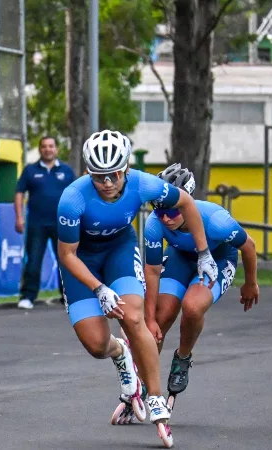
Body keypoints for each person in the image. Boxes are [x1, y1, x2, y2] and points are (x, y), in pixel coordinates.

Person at [56, 130, 219, 447]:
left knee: (133, 318)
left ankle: (155, 398)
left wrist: (203, 253)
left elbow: (185, 202)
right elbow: (67, 255)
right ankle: (120, 354)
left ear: (126, 168)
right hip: (80, 262)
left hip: (118, 250)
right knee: (95, 345)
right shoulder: (72, 199)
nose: (107, 182)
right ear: (90, 173)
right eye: (99, 176)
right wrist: (99, 289)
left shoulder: (143, 183)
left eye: (114, 174)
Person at [142, 163, 259, 409]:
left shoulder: (216, 221)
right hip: (180, 259)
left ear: (187, 202)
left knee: (193, 308)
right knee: (160, 317)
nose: (165, 218)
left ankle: (182, 358)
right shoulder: (155, 223)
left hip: (217, 259)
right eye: (159, 210)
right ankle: (144, 381)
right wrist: (149, 317)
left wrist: (250, 283)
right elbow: (151, 271)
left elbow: (248, 246)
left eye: (172, 211)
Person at [14, 136, 75, 309]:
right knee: (33, 261)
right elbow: (19, 193)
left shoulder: (67, 171)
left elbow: (77, 195)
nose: (48, 149)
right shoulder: (30, 171)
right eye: (44, 146)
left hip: (62, 224)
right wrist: (19, 217)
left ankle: (68, 296)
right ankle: (27, 296)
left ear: (56, 149)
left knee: (67, 260)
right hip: (36, 224)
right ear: (40, 149)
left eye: (51, 146)